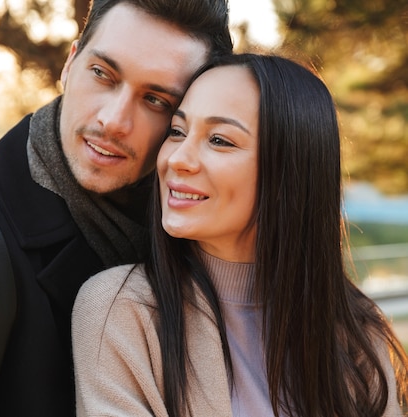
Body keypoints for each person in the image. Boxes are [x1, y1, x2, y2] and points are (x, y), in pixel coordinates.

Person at [0, 0, 233, 416]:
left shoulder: (201, 243)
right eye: (102, 74)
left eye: (156, 101)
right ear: (70, 62)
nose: (114, 121)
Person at [72, 53, 408, 417]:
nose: (177, 159)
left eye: (219, 140)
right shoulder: (122, 310)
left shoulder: (356, 332)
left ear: (289, 172)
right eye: (177, 131)